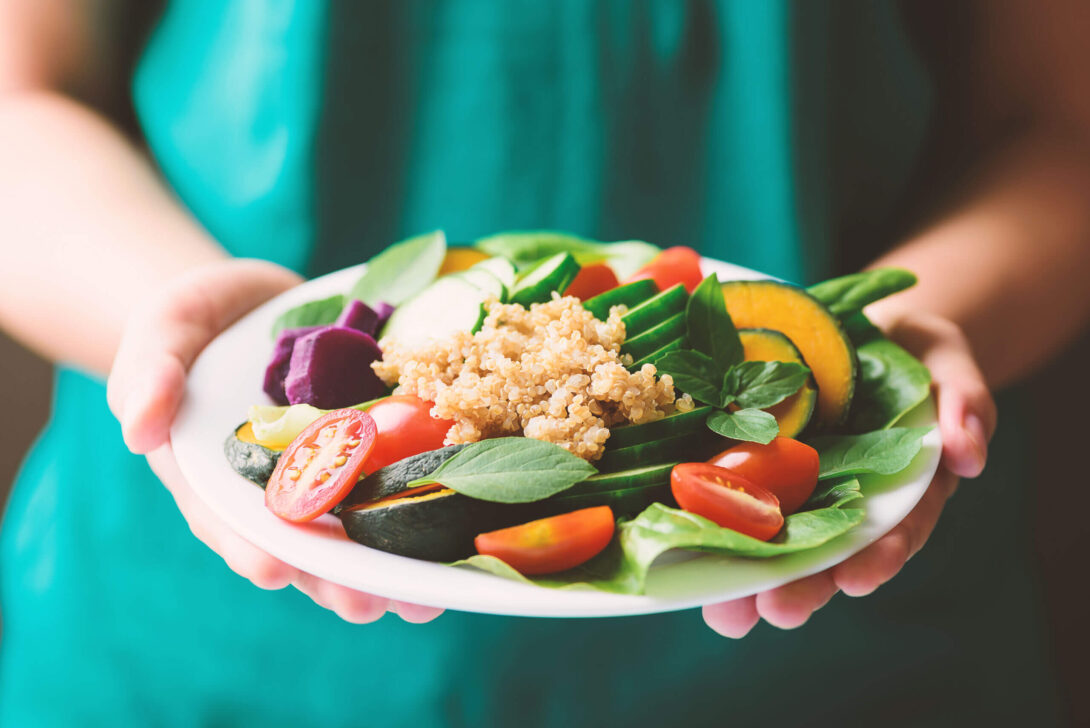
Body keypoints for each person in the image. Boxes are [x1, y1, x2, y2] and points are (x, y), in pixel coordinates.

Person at [1, 1, 1087, 725]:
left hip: (850, 653)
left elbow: (1058, 129)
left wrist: (918, 331)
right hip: (192, 635)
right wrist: (169, 318)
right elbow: (21, 98)